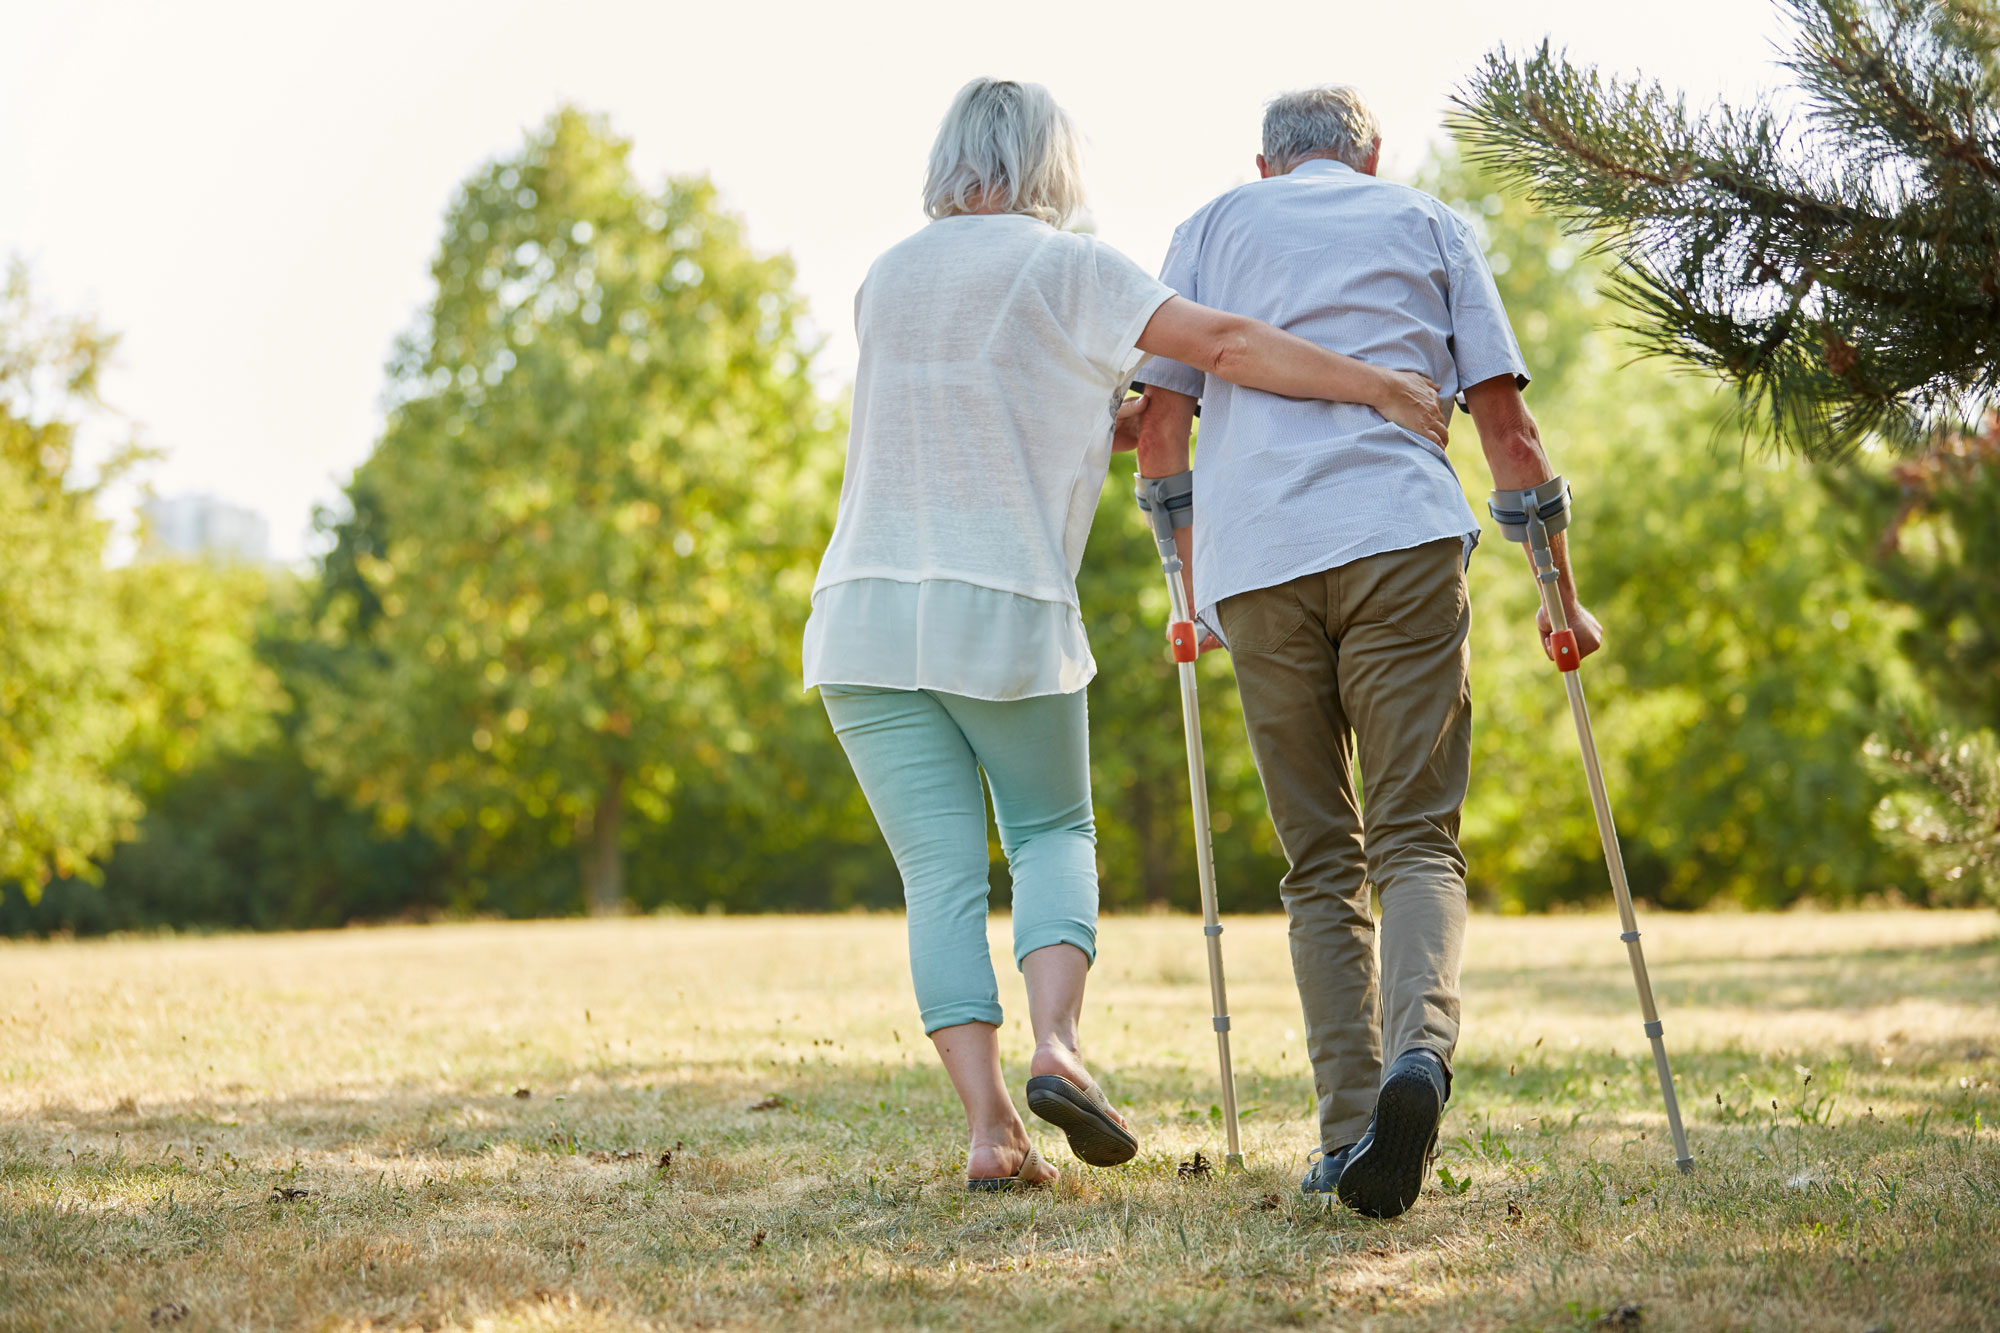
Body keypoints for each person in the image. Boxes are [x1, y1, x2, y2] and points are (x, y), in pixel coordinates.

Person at [803, 77, 1449, 1191]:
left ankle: (990, 1129)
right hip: (1000, 608)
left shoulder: (886, 277)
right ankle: (1058, 1047)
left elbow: (975, 409)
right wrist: (1376, 388)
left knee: (939, 877)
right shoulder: (1069, 266)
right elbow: (1230, 346)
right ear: (1051, 162)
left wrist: (1093, 425)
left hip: (858, 615)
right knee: (1053, 830)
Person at [1128, 84, 1603, 1218]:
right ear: (1371, 154)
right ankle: (1416, 1061)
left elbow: (1159, 427)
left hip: (1256, 562)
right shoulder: (1428, 222)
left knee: (1318, 861)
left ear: (1263, 165)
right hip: (1398, 536)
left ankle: (1346, 1133)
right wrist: (1559, 596)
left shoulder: (1205, 228)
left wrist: (1182, 588)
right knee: (1415, 841)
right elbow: (1506, 430)